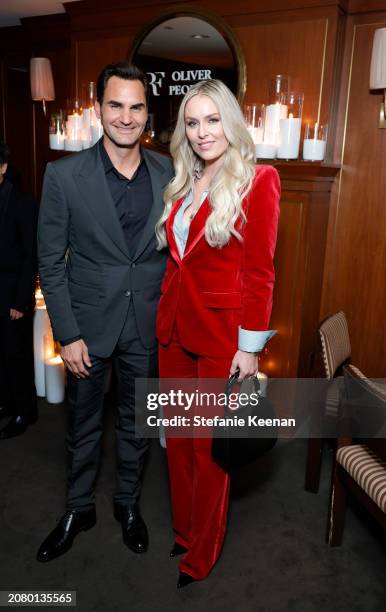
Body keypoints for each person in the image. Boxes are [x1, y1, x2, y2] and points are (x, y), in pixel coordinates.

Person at [36, 62, 174, 563]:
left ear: (146, 114)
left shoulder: (170, 171)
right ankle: (77, 508)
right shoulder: (64, 175)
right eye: (116, 105)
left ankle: (127, 505)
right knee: (82, 424)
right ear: (99, 110)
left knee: (137, 424)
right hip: (87, 329)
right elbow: (50, 261)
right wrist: (66, 333)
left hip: (146, 327)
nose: (126, 116)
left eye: (136, 106)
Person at [155, 79, 280, 587]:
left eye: (212, 120)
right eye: (192, 122)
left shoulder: (259, 180)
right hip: (174, 330)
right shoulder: (183, 181)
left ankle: (200, 554)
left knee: (210, 451)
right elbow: (178, 264)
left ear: (229, 122)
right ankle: (184, 529)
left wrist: (249, 349)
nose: (202, 132)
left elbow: (260, 273)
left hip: (221, 339)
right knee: (179, 442)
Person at [0, 142, 38, 439]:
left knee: (18, 355)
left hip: (13, 295)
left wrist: (21, 301)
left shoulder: (23, 203)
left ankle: (25, 411)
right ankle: (7, 402)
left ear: (2, 168)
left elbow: (30, 254)